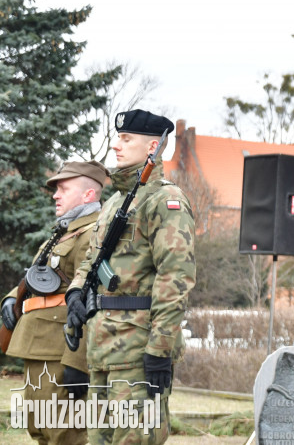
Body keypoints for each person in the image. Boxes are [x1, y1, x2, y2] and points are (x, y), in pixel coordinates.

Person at [65, 110, 195, 445]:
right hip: (102, 349)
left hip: (138, 351)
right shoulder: (113, 204)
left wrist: (160, 347)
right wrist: (76, 293)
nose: (117, 145)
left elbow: (176, 277)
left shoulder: (165, 200)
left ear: (153, 146)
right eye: (118, 137)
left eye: (127, 139)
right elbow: (92, 259)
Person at [2, 160, 108, 445]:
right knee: (41, 431)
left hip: (63, 352)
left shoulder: (94, 234)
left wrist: (79, 362)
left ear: (88, 195)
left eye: (63, 188)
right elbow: (37, 276)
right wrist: (11, 299)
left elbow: (91, 301)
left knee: (65, 435)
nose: (55, 195)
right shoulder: (63, 232)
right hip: (38, 347)